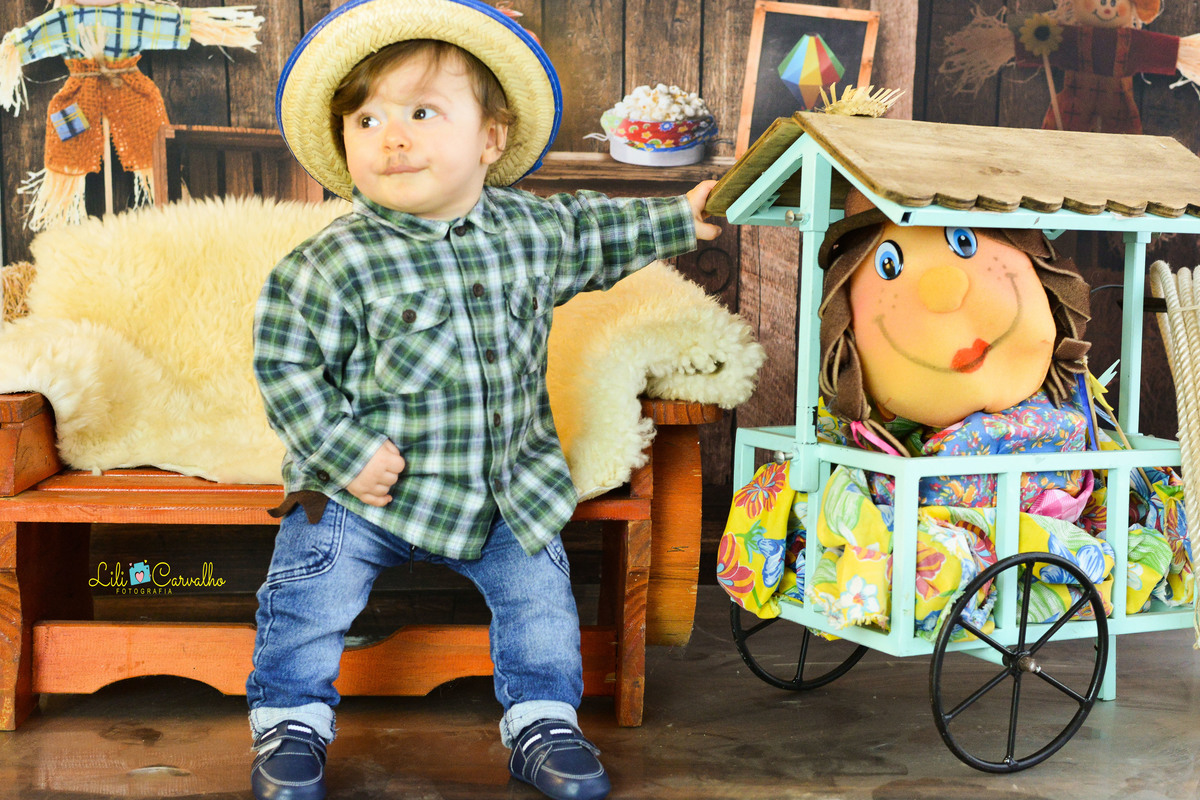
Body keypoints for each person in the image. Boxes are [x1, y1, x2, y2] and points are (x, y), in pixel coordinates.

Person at [247, 2, 720, 799]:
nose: (390, 137)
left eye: (422, 113)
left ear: (489, 140)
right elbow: (285, 367)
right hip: (367, 491)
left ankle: (541, 719)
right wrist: (343, 453)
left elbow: (598, 235)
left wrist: (684, 216)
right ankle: (289, 720)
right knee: (309, 586)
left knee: (540, 598)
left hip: (505, 486)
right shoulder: (328, 262)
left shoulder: (532, 232)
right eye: (366, 119)